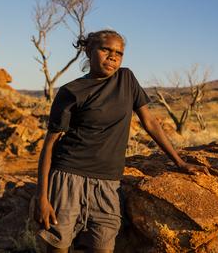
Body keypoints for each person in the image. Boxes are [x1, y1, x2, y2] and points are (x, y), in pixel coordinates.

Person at [35, 29, 207, 253]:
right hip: (68, 178)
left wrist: (180, 162)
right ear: (89, 50)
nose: (113, 56)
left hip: (108, 184)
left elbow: (151, 123)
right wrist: (42, 197)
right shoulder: (71, 91)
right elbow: (50, 145)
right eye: (105, 49)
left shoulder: (126, 79)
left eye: (119, 52)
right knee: (58, 245)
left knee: (102, 246)